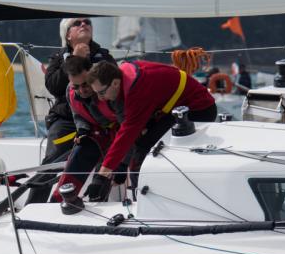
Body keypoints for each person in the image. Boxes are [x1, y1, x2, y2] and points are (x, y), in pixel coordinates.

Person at [85, 59, 217, 199]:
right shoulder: (125, 75)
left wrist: (101, 177)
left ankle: (144, 198)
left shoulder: (138, 89)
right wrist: (120, 166)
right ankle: (140, 194)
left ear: (115, 83)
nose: (100, 99)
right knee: (142, 144)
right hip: (173, 108)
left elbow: (127, 134)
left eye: (101, 93)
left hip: (199, 109)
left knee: (143, 148)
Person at [24, 18, 116, 204]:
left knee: (106, 159)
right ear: (67, 34)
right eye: (77, 23)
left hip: (100, 120)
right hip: (65, 119)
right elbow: (55, 87)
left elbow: (114, 88)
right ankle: (33, 206)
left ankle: (98, 203)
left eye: (87, 22)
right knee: (52, 161)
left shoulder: (105, 57)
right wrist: (75, 59)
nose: (84, 24)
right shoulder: (59, 58)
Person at [53, 54, 126, 214]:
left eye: (85, 84)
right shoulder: (70, 91)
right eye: (76, 86)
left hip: (120, 133)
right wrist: (82, 129)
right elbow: (77, 114)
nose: (82, 90)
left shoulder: (109, 91)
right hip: (96, 133)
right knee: (80, 152)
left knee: (105, 170)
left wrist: (122, 164)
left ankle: (98, 200)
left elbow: (128, 128)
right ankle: (63, 200)